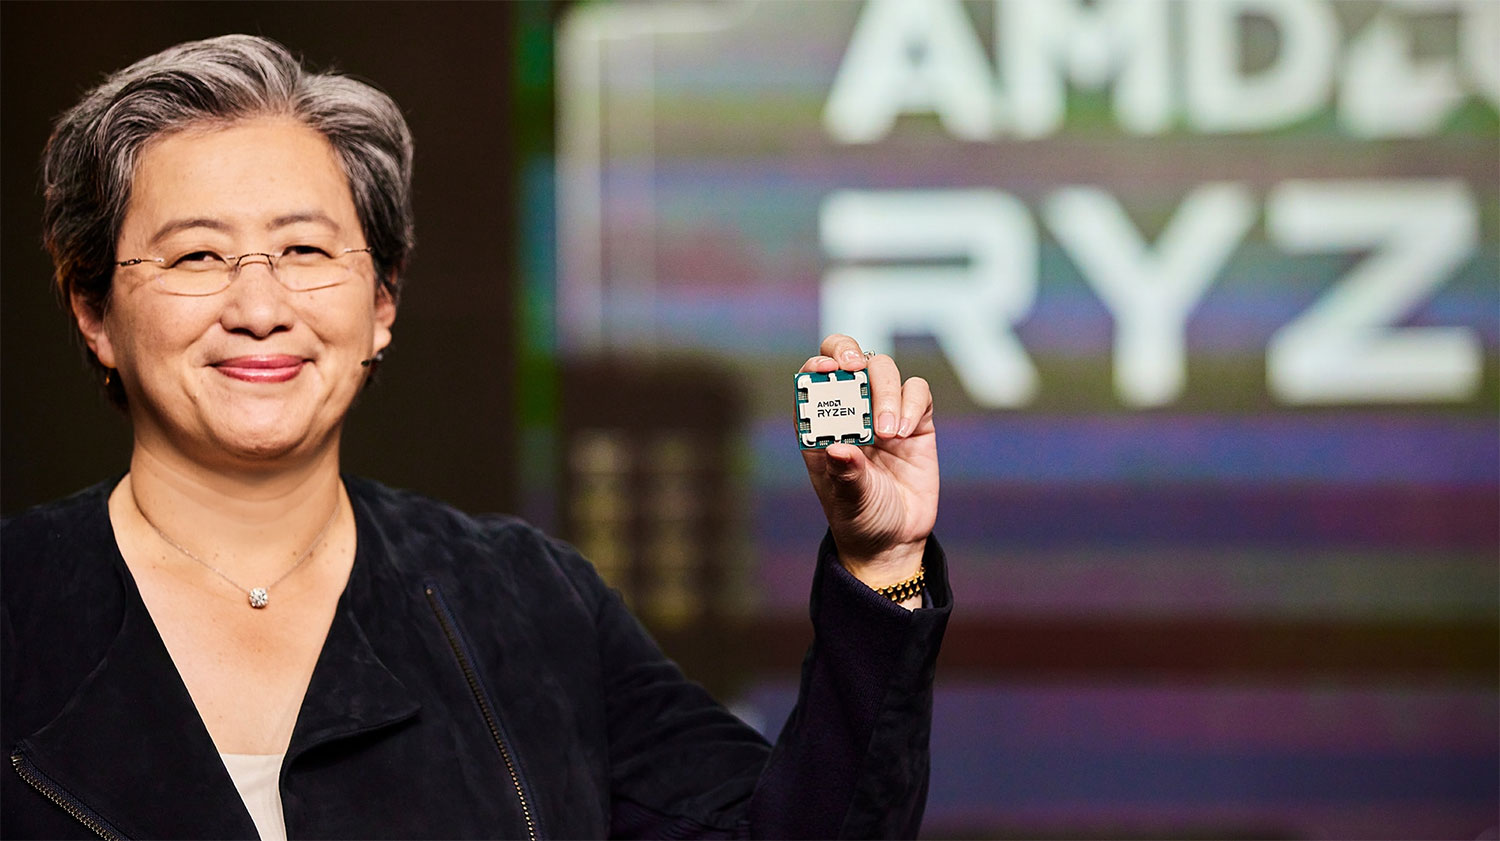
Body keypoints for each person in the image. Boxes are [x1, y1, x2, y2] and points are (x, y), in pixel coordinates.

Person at [1, 35, 949, 840]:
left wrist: (880, 566)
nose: (259, 306)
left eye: (305, 250)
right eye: (197, 254)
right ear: (94, 309)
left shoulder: (529, 605)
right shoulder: (19, 607)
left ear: (382, 303)